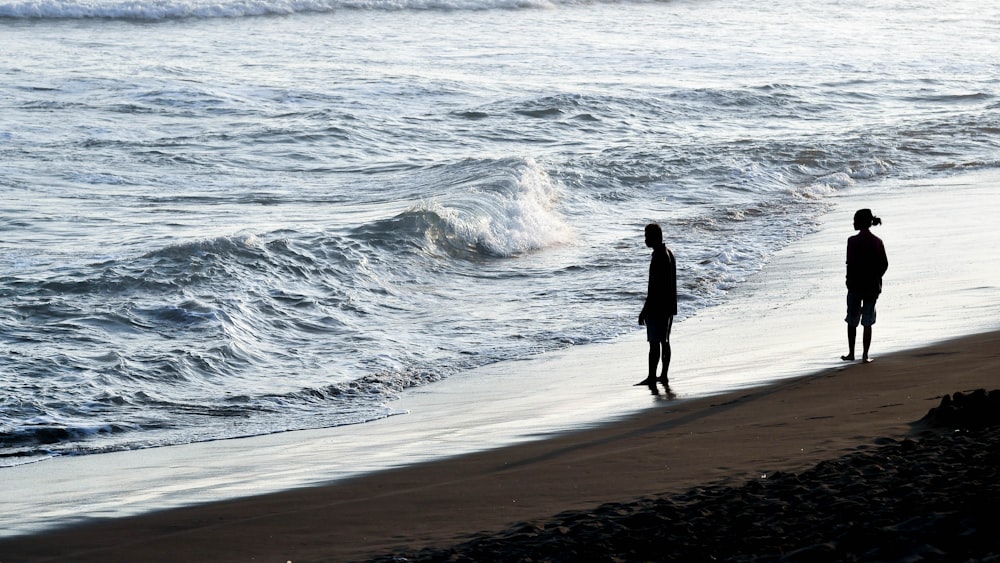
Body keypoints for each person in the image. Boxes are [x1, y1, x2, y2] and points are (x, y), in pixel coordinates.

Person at [842, 208, 888, 363]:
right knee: (867, 321)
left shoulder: (852, 241)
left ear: (860, 223)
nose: (853, 223)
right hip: (872, 287)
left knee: (852, 320)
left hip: (855, 286)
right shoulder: (877, 241)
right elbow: (884, 264)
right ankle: (865, 355)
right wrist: (876, 277)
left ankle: (851, 353)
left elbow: (850, 264)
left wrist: (849, 281)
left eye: (855, 220)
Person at [636, 223, 677, 392]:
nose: (645, 240)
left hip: (658, 307)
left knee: (654, 344)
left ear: (655, 237)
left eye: (647, 236)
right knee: (664, 341)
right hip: (668, 306)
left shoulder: (659, 256)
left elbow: (654, 288)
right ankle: (663, 375)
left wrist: (644, 311)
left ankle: (652, 377)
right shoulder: (668, 253)